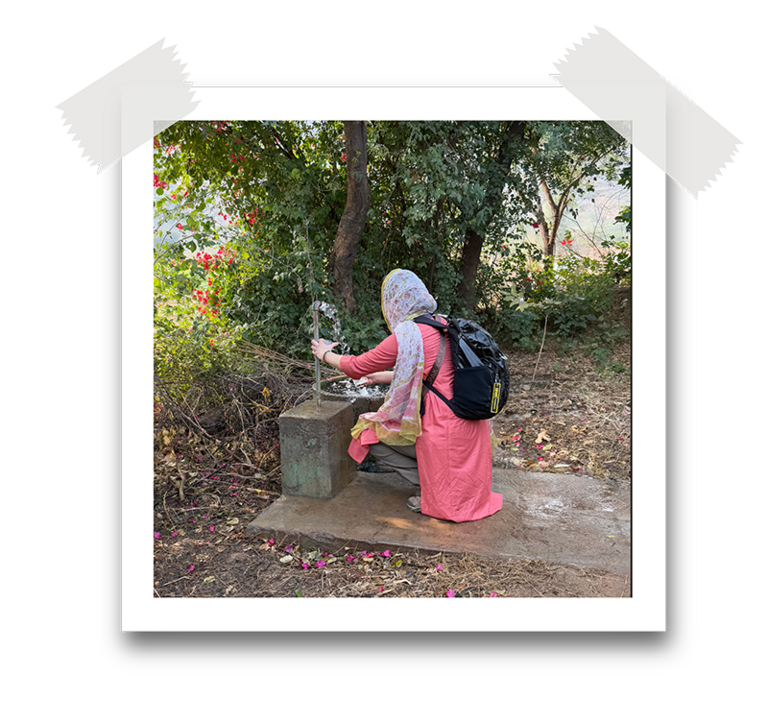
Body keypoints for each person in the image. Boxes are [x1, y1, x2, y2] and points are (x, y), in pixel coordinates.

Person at [310, 269, 503, 523]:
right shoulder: (444, 324)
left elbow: (356, 366)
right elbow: (434, 374)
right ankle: (436, 485)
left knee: (368, 432)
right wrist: (382, 376)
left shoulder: (407, 335)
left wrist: (324, 353)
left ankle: (428, 489)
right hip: (469, 423)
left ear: (396, 303)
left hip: (443, 426)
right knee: (387, 431)